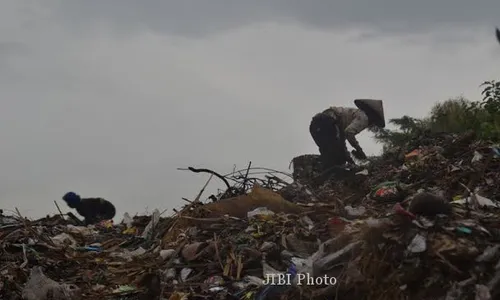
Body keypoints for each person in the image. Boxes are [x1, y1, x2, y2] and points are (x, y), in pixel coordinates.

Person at [309, 99, 385, 167]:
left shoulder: (349, 118)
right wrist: (358, 149)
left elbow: (341, 143)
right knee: (336, 155)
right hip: (327, 122)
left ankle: (324, 175)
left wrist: (350, 161)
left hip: (315, 125)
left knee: (330, 154)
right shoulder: (364, 118)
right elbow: (349, 133)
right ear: (373, 118)